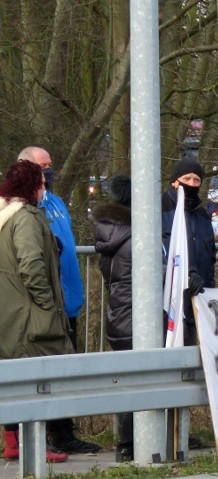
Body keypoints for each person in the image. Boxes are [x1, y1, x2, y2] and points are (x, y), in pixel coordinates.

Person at [16, 146, 101, 454]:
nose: (49, 171)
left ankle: (64, 432)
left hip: (68, 304)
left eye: (51, 165)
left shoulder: (55, 203)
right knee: (41, 372)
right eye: (43, 166)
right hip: (43, 307)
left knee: (66, 370)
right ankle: (45, 434)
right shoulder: (23, 208)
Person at [0, 161, 72, 463]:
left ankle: (14, 442)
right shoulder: (26, 218)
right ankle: (34, 445)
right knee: (35, 381)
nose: (45, 188)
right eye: (41, 183)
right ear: (31, 186)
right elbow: (31, 266)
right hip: (29, 316)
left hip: (11, 314)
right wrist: (48, 306)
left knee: (15, 379)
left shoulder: (5, 216)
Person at [92, 174, 135, 461]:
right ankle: (131, 442)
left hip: (119, 312)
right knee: (139, 379)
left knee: (128, 378)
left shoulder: (109, 233)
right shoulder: (135, 234)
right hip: (135, 313)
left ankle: (127, 441)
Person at [162, 158, 215, 346]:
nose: (192, 184)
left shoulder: (202, 216)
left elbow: (210, 261)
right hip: (168, 307)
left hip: (198, 303)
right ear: (174, 182)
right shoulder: (160, 211)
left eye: (196, 180)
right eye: (187, 178)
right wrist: (185, 274)